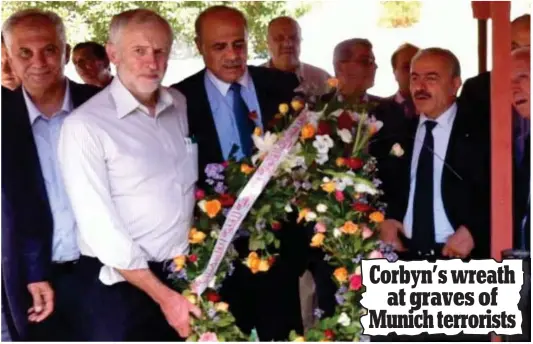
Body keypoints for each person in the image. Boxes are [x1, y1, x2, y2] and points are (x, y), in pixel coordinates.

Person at [57, 9, 200, 341]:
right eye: (139, 51)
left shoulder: (177, 104)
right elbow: (101, 227)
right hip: (120, 288)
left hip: (177, 275)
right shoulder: (85, 126)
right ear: (113, 54)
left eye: (160, 51)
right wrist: (164, 296)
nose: (152, 61)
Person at [172, 5, 306, 340]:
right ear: (199, 46)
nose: (233, 55)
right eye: (220, 47)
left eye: (239, 44)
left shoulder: (281, 86)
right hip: (217, 254)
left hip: (279, 248)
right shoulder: (179, 99)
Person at [373, 47, 491, 341]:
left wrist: (476, 230)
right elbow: (387, 187)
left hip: (462, 265)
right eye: (414, 78)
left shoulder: (482, 130)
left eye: (431, 78)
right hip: (404, 263)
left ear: (455, 84)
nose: (420, 87)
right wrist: (389, 219)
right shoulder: (397, 131)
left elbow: (505, 192)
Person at [2, 9, 100, 341]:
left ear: (66, 52)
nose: (39, 62)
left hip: (107, 274)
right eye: (24, 53)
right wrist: (32, 271)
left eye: (49, 50)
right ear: (9, 58)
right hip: (32, 280)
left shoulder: (102, 106)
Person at [263, 16, 330, 94]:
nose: (287, 44)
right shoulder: (253, 79)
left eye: (293, 38)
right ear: (267, 43)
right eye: (279, 38)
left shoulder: (322, 79)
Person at [332, 38, 381, 104]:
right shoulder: (316, 106)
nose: (375, 67)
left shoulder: (388, 109)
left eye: (373, 62)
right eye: (366, 61)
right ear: (339, 67)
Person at [388, 43, 420, 118]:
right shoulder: (377, 110)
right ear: (395, 72)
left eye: (418, 66)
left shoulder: (438, 108)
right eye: (407, 67)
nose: (413, 72)